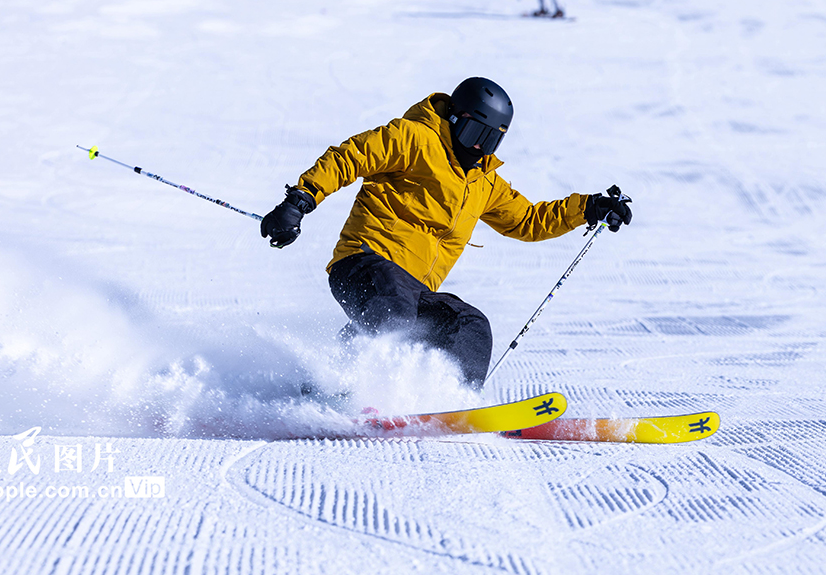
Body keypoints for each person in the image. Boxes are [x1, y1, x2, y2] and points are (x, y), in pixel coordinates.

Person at [260, 78, 631, 388]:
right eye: (472, 133)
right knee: (394, 310)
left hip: (416, 289)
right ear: (454, 119)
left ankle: (453, 402)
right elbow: (349, 157)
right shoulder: (413, 138)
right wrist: (299, 202)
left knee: (468, 324)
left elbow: (527, 221)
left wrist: (588, 208)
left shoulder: (483, 182)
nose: (477, 147)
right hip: (364, 264)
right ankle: (349, 388)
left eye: (490, 140)